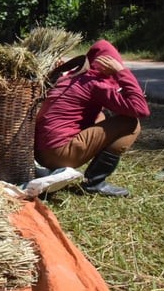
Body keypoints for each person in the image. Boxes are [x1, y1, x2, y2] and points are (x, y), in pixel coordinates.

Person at [34, 40, 150, 197]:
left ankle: (60, 170)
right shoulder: (96, 84)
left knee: (100, 116)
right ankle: (94, 183)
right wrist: (121, 72)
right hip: (58, 155)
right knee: (131, 123)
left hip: (41, 153)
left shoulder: (73, 77)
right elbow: (140, 109)